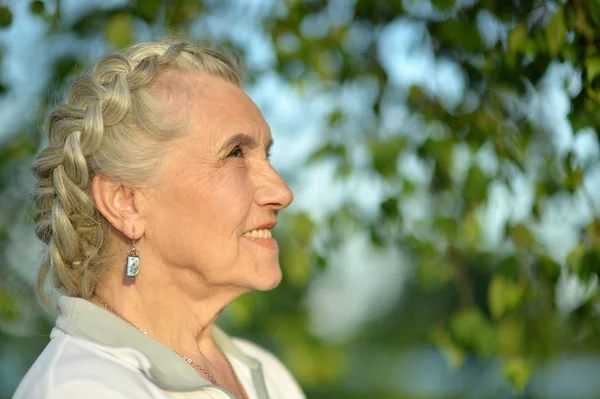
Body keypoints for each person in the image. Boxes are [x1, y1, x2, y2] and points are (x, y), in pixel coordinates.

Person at [13, 37, 304, 399]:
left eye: (267, 157)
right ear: (126, 202)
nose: (281, 192)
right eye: (235, 154)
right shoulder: (80, 389)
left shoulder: (266, 373)